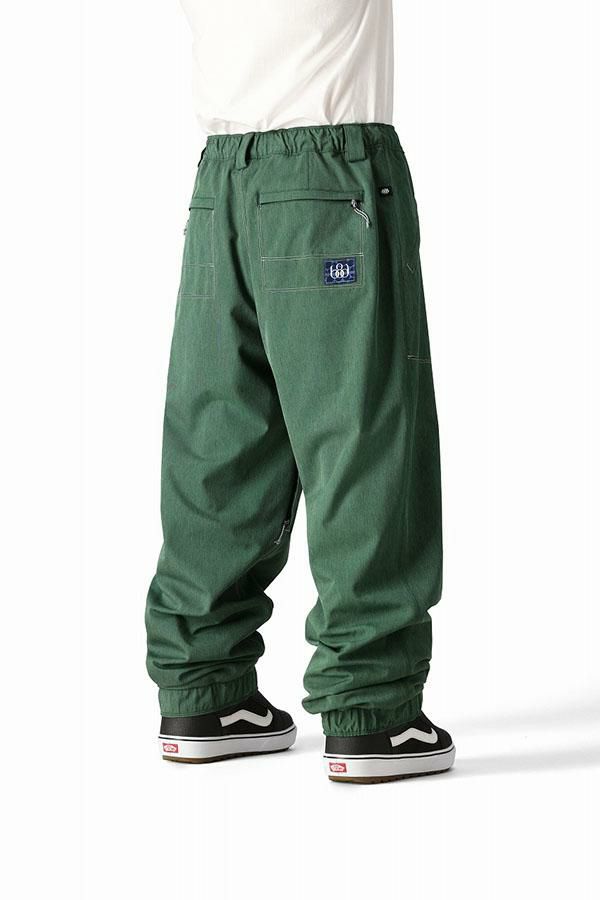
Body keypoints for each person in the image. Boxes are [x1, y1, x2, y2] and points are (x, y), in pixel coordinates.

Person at [145, 0, 455, 783]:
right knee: (362, 433)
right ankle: (372, 710)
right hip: (327, 176)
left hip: (223, 181)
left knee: (220, 436)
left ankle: (204, 692)